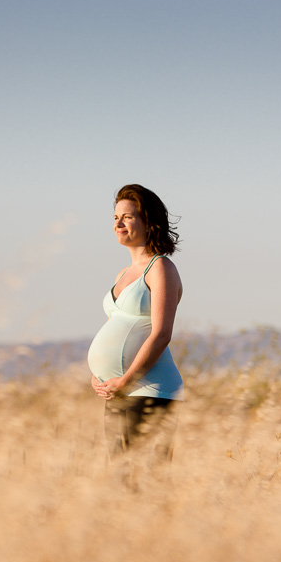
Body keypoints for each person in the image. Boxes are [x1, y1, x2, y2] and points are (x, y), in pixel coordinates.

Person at [88, 184, 183, 466]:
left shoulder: (161, 268)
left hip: (150, 391)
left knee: (146, 481)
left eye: (127, 217)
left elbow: (161, 334)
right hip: (117, 392)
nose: (118, 223)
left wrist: (125, 380)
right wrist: (99, 376)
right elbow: (115, 328)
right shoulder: (123, 273)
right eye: (115, 217)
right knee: (121, 480)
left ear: (148, 221)